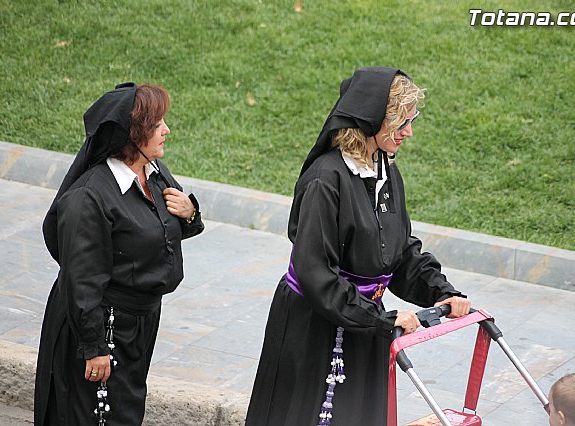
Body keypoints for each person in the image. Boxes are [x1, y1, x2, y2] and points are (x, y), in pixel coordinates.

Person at [245, 67, 471, 426]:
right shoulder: (325, 179)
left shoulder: (387, 172)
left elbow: (401, 252)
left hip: (363, 321)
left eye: (412, 120)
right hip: (312, 329)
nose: (409, 132)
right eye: (402, 122)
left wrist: (441, 293)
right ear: (371, 120)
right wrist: (378, 320)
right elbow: (316, 272)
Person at [34, 83, 204, 426]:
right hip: (102, 325)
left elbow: (156, 233)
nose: (166, 131)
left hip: (138, 323)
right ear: (133, 134)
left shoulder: (153, 172)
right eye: (158, 125)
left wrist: (190, 213)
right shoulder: (89, 198)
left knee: (125, 413)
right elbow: (81, 279)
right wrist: (93, 347)